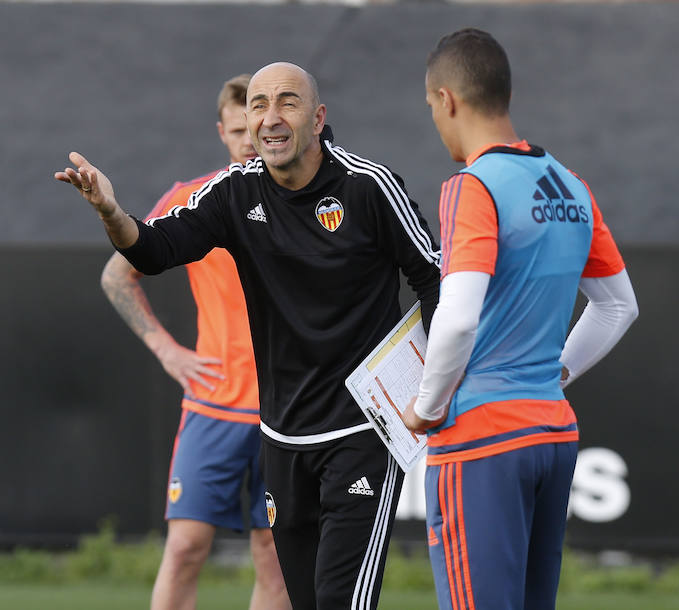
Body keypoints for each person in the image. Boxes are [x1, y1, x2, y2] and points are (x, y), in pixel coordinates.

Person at [56, 62, 441, 609]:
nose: (269, 118)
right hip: (281, 433)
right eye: (258, 105)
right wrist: (111, 212)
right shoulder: (234, 192)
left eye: (287, 102)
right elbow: (153, 250)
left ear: (318, 116)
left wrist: (431, 387)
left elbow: (436, 280)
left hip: (364, 431)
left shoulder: (369, 187)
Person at [402, 28, 639, 610]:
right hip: (552, 434)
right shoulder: (570, 185)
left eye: (431, 104)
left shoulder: (471, 186)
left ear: (447, 99)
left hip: (481, 440)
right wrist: (552, 375)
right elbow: (619, 306)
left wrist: (426, 408)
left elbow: (457, 321)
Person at [99, 74, 290, 610]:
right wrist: (166, 349)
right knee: (184, 547)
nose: (248, 140)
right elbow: (118, 275)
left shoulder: (307, 203)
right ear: (222, 132)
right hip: (215, 404)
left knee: (274, 560)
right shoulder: (193, 199)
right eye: (236, 130)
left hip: (288, 409)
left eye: (255, 126)